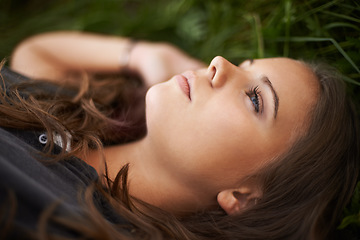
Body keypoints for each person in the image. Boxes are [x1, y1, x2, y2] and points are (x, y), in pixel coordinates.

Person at [0, 31, 358, 240]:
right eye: (242, 63)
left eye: (254, 98)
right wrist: (145, 54)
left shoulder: (75, 225)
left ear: (245, 198)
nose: (218, 63)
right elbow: (37, 54)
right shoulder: (91, 114)